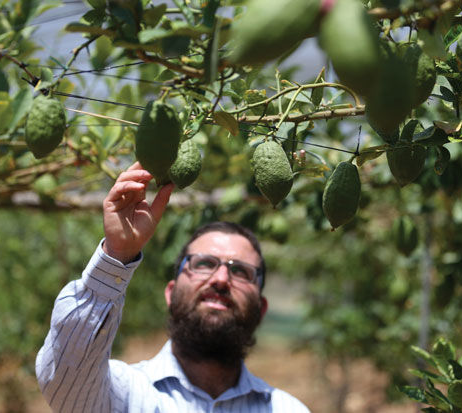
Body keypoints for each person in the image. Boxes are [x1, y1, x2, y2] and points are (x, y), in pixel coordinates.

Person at [35, 162, 310, 412]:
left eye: (241, 271)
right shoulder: (125, 394)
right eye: (204, 263)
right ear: (170, 292)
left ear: (261, 309)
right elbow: (65, 380)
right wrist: (117, 255)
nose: (221, 279)